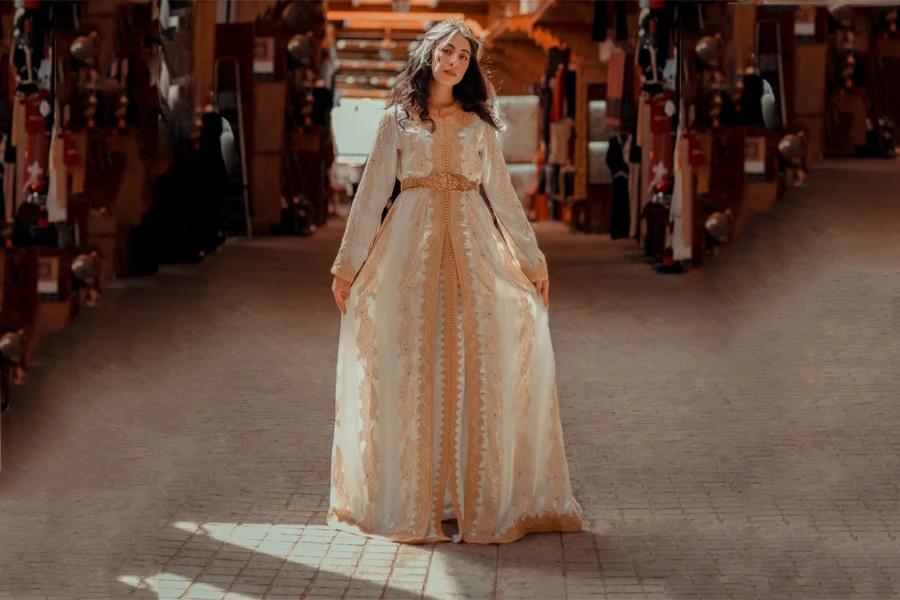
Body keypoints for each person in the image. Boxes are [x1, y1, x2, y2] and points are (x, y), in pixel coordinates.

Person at [328, 17, 583, 544]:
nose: (454, 62)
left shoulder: (479, 126)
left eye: (463, 56)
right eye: (447, 51)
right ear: (428, 54)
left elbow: (505, 199)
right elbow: (373, 193)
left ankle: (471, 496)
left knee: (474, 358)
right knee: (415, 360)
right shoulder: (396, 121)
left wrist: (533, 262)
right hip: (409, 251)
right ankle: (414, 496)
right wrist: (347, 264)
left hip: (474, 247)